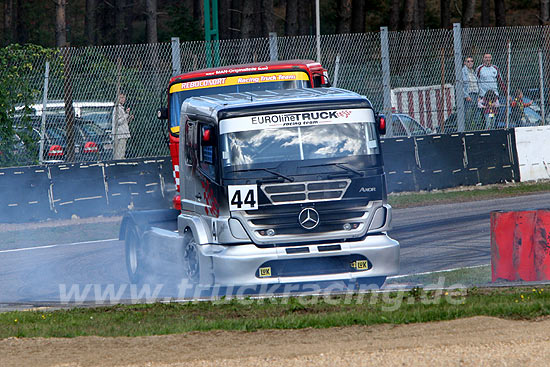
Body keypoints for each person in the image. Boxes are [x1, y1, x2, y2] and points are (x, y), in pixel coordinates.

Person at [112, 93, 133, 159]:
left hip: (123, 134)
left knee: (122, 154)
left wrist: (128, 118)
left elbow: (124, 122)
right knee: (119, 155)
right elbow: (118, 122)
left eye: (124, 97)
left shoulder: (121, 108)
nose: (123, 99)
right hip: (119, 134)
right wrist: (126, 114)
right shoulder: (117, 108)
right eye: (121, 97)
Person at [462, 56, 480, 130]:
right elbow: (461, 85)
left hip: (475, 94)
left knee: (476, 114)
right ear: (465, 62)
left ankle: (476, 129)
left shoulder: (473, 71)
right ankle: (468, 130)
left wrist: (479, 95)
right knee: (468, 115)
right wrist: (466, 95)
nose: (470, 63)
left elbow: (477, 83)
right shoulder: (463, 71)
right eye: (468, 61)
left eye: (471, 61)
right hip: (469, 95)